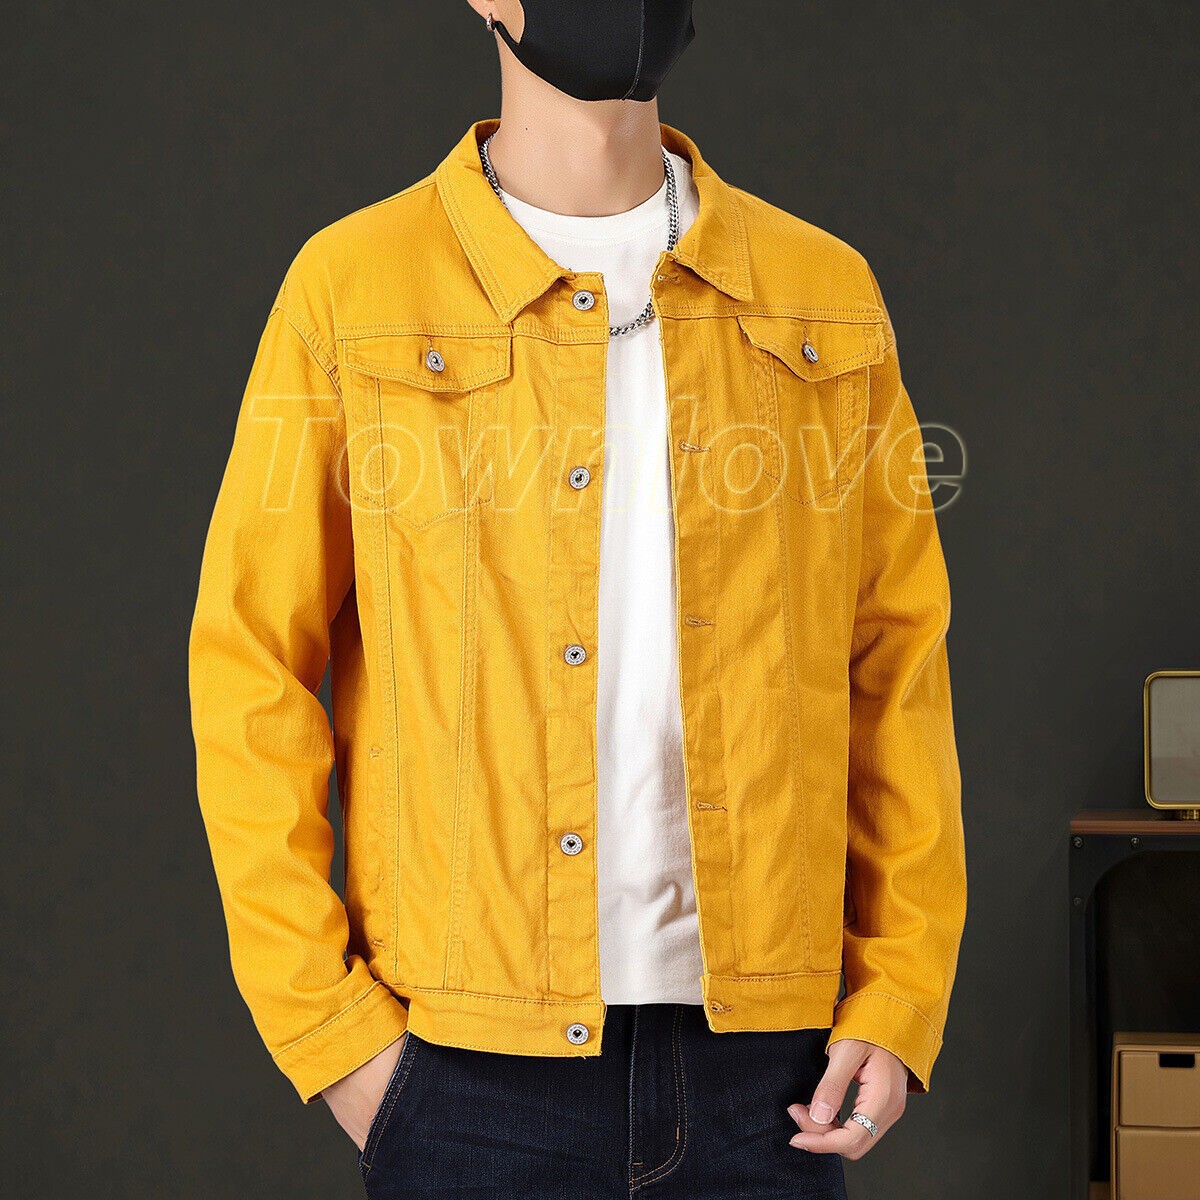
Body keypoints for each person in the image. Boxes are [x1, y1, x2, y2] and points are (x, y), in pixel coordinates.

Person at [188, 2, 967, 1196]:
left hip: (770, 1076)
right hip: (466, 1070)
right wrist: (335, 1038)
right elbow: (252, 663)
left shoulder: (821, 292)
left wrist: (900, 991)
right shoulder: (353, 289)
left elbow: (895, 663)